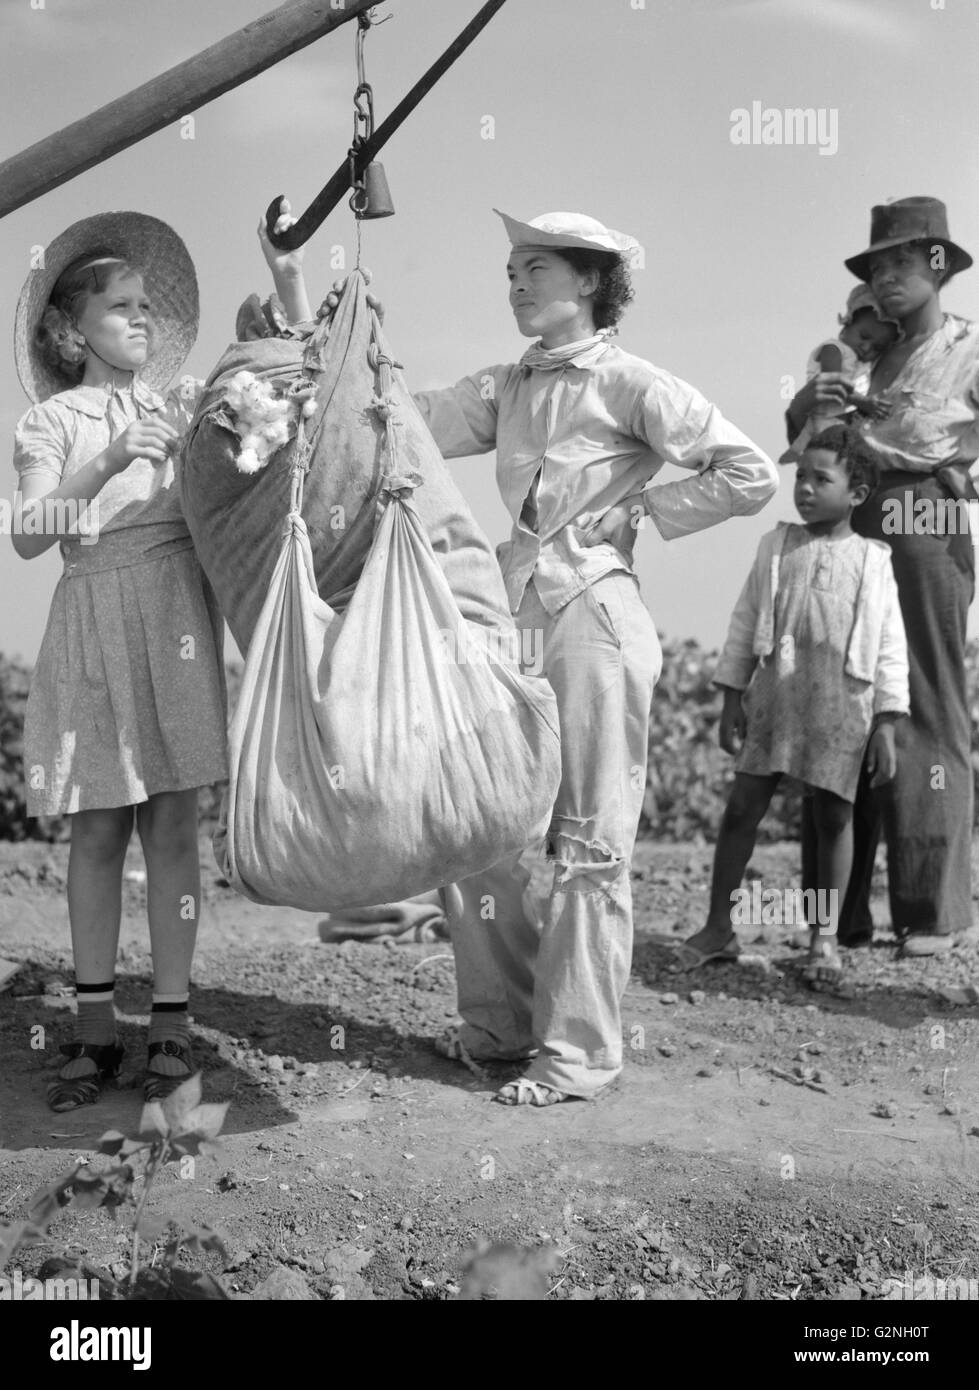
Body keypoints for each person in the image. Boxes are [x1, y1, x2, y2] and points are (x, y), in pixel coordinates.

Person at [411, 209, 777, 1104]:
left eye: (534, 269)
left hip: (594, 615)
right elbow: (406, 423)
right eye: (509, 272)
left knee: (588, 838)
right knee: (482, 827)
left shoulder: (631, 382)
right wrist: (327, 341)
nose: (515, 285)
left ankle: (576, 1054)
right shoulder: (506, 386)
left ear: (587, 282)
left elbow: (749, 472)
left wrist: (646, 510)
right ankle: (501, 1028)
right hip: (513, 614)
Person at [11, 212, 228, 1110]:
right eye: (120, 306)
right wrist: (105, 460)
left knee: (173, 827)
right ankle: (95, 1029)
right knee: (98, 829)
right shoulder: (50, 422)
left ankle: (170, 1025)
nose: (140, 318)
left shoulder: (184, 409)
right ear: (71, 330)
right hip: (95, 617)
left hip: (176, 617)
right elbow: (30, 534)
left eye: (146, 305)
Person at [785, 197, 979, 955]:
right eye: (878, 267)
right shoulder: (859, 356)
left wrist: (964, 470)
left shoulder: (967, 349)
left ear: (939, 267)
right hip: (850, 518)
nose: (889, 278)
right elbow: (809, 445)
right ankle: (835, 919)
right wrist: (805, 404)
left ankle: (932, 913)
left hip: (924, 514)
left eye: (904, 262)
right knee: (841, 701)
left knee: (924, 699)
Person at [674, 425, 909, 984]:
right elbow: (743, 622)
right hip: (774, 698)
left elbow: (889, 646)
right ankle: (718, 927)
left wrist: (887, 723)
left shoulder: (873, 560)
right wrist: (731, 695)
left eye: (820, 479)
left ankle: (824, 939)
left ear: (856, 493)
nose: (804, 488)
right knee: (741, 810)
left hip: (841, 706)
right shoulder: (776, 546)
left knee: (833, 817)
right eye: (800, 476)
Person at [778, 286, 899, 464]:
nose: (867, 347)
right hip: (825, 414)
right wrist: (866, 403)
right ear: (846, 326)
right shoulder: (834, 349)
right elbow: (834, 386)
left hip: (837, 417)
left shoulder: (862, 363)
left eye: (877, 347)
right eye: (864, 336)